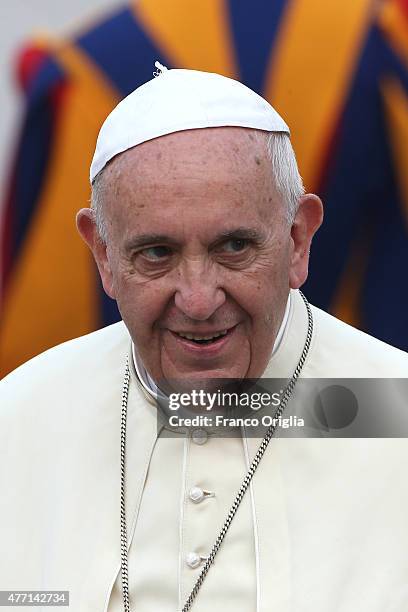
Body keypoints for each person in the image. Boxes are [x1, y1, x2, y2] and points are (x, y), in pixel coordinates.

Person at [1, 66, 408, 612]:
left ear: (298, 240)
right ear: (103, 255)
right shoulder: (21, 416)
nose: (197, 301)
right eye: (156, 254)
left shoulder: (394, 406)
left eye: (234, 247)